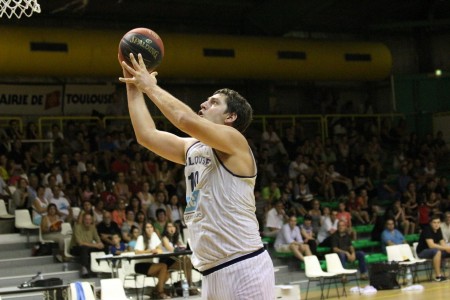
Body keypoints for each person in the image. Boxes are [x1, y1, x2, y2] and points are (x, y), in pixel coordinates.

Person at [120, 55, 275, 299]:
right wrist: (133, 84)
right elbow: (146, 135)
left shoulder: (235, 141)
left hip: (244, 266)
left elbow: (184, 120)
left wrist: (148, 85)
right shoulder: (192, 147)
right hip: (210, 272)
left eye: (213, 102)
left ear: (230, 117)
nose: (203, 104)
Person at [134, 222, 171, 299]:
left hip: (150, 264)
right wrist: (148, 251)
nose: (149, 229)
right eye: (147, 227)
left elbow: (159, 248)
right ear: (144, 229)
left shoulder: (154, 235)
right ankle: (160, 292)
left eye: (151, 227)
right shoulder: (141, 237)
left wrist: (157, 250)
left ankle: (154, 291)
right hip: (140, 265)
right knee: (163, 266)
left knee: (167, 275)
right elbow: (136, 252)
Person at [69, 213, 104, 278]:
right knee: (84, 248)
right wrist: (95, 245)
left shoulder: (93, 228)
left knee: (103, 248)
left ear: (91, 221)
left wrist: (100, 244)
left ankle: (100, 267)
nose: (87, 221)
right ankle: (84, 269)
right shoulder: (77, 227)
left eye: (89, 219)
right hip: (75, 248)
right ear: (83, 220)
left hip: (89, 247)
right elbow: (80, 243)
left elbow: (98, 239)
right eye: (86, 219)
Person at [416, 215, 450, 282]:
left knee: (446, 251)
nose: (437, 224)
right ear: (430, 223)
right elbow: (431, 245)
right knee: (437, 251)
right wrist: (445, 248)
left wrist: (447, 248)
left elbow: (442, 242)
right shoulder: (427, 229)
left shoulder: (438, 229)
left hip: (432, 251)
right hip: (422, 252)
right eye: (434, 222)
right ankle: (438, 276)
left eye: (438, 222)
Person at [160, 222, 194, 286]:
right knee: (186, 261)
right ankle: (189, 285)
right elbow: (171, 249)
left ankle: (190, 284)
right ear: (166, 229)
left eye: (173, 227)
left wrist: (184, 248)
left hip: (174, 260)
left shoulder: (176, 239)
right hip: (165, 262)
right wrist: (181, 248)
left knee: (187, 260)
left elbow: (183, 246)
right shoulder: (164, 238)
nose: (171, 228)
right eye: (169, 227)